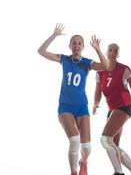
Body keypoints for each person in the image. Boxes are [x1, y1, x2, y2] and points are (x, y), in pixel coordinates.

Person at [38, 24, 108, 175]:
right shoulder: (64, 59)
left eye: (79, 43)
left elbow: (106, 66)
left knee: (87, 147)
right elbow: (41, 51)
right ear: (70, 46)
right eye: (74, 43)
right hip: (65, 107)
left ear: (83, 46)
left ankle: (83, 162)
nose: (76, 45)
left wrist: (97, 49)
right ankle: (74, 172)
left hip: (82, 107)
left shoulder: (87, 63)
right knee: (74, 140)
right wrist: (54, 35)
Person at [93, 43, 131, 175]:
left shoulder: (124, 69)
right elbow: (98, 91)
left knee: (105, 138)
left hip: (124, 107)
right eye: (110, 50)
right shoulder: (100, 72)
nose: (112, 52)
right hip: (112, 109)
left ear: (118, 55)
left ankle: (118, 172)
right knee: (113, 145)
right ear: (106, 53)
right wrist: (95, 103)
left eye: (115, 51)